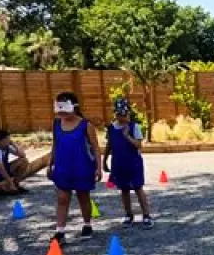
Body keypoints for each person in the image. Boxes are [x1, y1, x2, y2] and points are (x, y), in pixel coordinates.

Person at [47, 92, 102, 244]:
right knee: (62, 198)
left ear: (74, 107)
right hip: (63, 167)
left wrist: (99, 167)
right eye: (58, 107)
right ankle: (60, 232)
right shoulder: (56, 124)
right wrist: (50, 163)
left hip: (82, 167)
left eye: (64, 107)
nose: (61, 112)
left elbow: (95, 148)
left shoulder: (86, 126)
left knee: (83, 197)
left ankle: (87, 224)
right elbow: (55, 144)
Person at [103, 99, 152, 228]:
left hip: (133, 163)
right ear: (116, 114)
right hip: (119, 163)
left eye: (124, 114)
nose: (123, 117)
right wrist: (104, 160)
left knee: (138, 188)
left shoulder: (134, 127)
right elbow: (109, 145)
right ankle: (128, 214)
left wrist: (127, 136)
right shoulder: (111, 128)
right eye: (120, 114)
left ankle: (146, 215)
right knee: (124, 189)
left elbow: (139, 145)